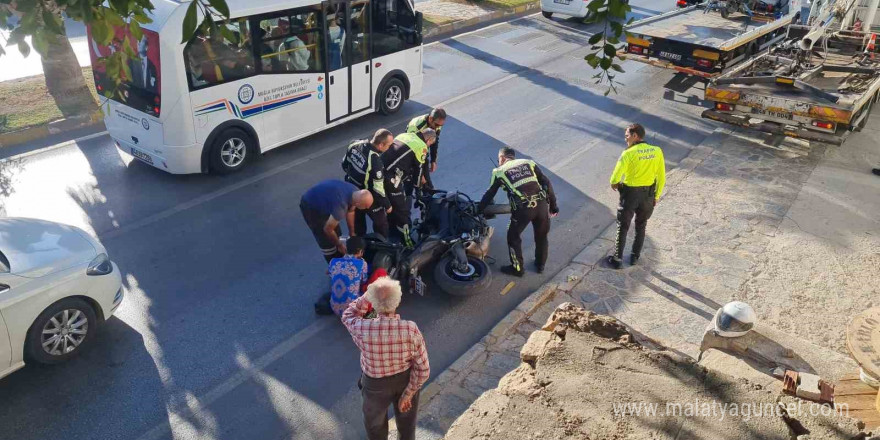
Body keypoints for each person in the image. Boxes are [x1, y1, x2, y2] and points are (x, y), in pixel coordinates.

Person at [342, 277, 430, 440]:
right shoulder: (410, 329)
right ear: (397, 302)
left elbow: (348, 315)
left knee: (375, 429)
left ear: (373, 304)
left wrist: (366, 296)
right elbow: (423, 370)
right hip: (405, 381)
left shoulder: (363, 328)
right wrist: (408, 393)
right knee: (407, 427)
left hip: (374, 385)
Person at [478, 147, 558, 276]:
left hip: (523, 210)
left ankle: (518, 268)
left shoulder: (499, 171)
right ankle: (540, 265)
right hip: (542, 205)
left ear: (502, 158)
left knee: (513, 237)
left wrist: (479, 209)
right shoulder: (529, 163)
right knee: (542, 236)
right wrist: (553, 206)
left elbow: (490, 194)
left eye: (499, 159)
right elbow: (546, 183)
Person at [606, 123, 666, 269]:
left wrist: (616, 185)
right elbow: (662, 177)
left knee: (623, 225)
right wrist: (656, 196)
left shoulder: (628, 153)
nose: (626, 139)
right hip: (648, 195)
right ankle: (634, 257)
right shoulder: (657, 151)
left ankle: (617, 259)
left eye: (627, 136)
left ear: (635, 136)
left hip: (630, 194)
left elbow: (614, 178)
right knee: (641, 225)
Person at [381, 129, 437, 248]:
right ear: (428, 140)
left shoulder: (405, 135)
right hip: (391, 178)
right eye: (430, 144)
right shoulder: (421, 146)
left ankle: (392, 233)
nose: (428, 146)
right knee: (403, 212)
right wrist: (418, 191)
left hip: (379, 170)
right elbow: (419, 171)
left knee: (391, 207)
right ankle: (408, 244)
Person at [300, 179, 373, 263]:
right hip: (311, 206)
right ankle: (333, 266)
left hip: (327, 200)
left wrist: (352, 232)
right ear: (358, 204)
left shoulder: (356, 192)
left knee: (337, 236)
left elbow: (351, 211)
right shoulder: (341, 206)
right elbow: (328, 229)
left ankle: (341, 257)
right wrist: (339, 245)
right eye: (366, 206)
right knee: (326, 238)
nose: (367, 209)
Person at [343, 129, 395, 238]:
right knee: (381, 223)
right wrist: (388, 205)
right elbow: (378, 189)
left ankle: (359, 246)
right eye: (388, 145)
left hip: (351, 191)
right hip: (367, 195)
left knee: (358, 223)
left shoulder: (355, 144)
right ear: (381, 145)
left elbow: (344, 164)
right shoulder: (375, 161)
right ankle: (383, 246)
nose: (389, 148)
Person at [328, 236, 369, 316]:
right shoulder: (362, 264)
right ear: (360, 251)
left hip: (334, 308)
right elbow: (364, 281)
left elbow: (331, 276)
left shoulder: (333, 261)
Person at [406, 108, 446, 174]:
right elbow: (410, 147)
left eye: (441, 125)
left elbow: (434, 141)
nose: (438, 127)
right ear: (430, 119)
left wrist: (433, 160)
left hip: (422, 143)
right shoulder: (416, 126)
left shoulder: (437, 124)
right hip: (411, 141)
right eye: (437, 125)